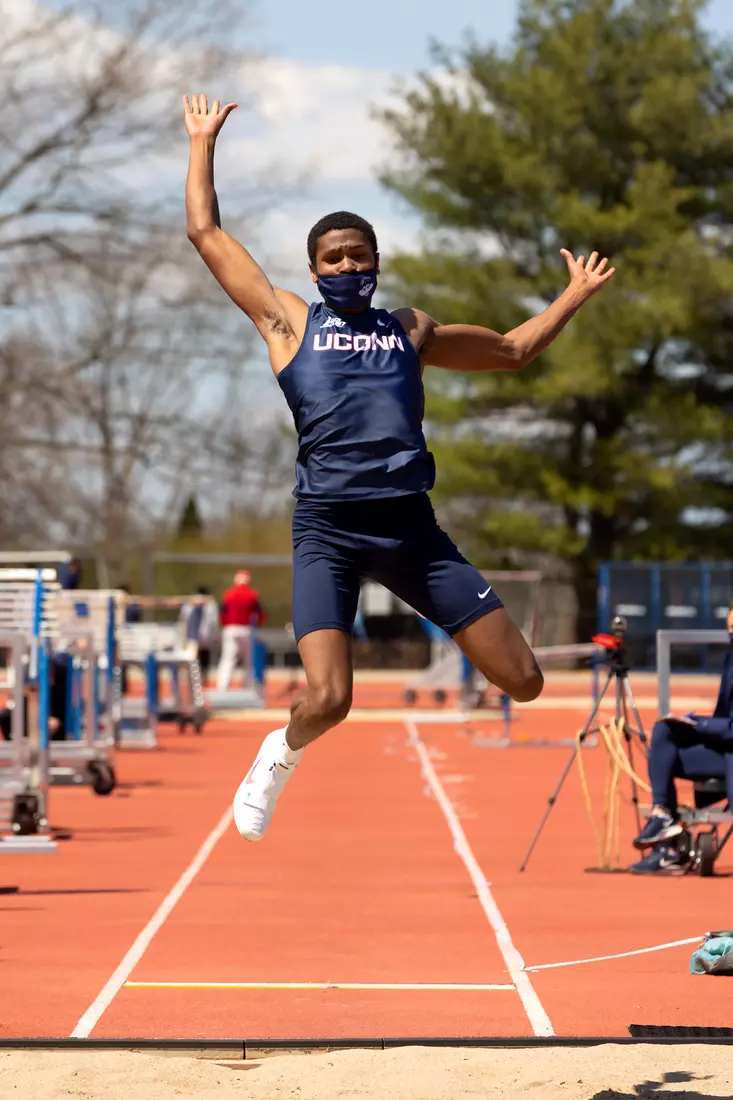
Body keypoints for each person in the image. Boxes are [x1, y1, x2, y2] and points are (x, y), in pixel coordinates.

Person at [183, 92, 616, 841]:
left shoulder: (410, 329)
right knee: (328, 699)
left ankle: (449, 624)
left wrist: (571, 295)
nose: (348, 265)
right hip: (329, 528)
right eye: (333, 257)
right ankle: (276, 757)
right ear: (314, 270)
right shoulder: (288, 322)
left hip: (411, 529)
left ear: (376, 263)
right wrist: (202, 142)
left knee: (524, 680)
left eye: (359, 254)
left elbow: (512, 352)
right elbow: (205, 230)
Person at [629, 601, 733, 875]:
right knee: (664, 732)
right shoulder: (731, 659)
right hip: (724, 751)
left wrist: (700, 723)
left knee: (670, 742)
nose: (730, 632)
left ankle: (668, 844)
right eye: (729, 627)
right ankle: (664, 826)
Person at [216, 571, 266, 691]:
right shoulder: (252, 595)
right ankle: (248, 688)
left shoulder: (229, 594)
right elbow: (260, 614)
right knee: (248, 662)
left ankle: (222, 688)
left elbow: (222, 612)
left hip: (231, 629)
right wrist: (257, 625)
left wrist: (225, 624)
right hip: (246, 630)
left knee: (228, 660)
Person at [180, 585, 221, 683]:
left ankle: (199, 678)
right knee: (195, 658)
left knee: (198, 658)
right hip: (196, 636)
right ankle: (196, 678)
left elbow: (213, 621)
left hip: (200, 635)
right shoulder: (190, 604)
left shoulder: (210, 605)